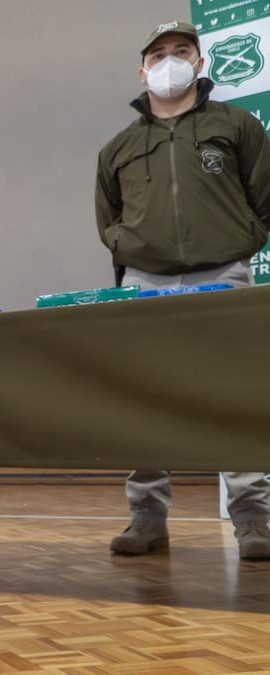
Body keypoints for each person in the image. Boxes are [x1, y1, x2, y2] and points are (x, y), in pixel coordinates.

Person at [95, 20, 270, 559]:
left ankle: (254, 521)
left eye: (181, 50)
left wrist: (242, 237)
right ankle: (147, 519)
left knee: (231, 394)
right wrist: (130, 245)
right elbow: (108, 220)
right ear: (142, 70)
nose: (169, 60)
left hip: (223, 276)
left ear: (199, 62)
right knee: (145, 397)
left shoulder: (237, 125)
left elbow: (264, 197)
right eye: (158, 54)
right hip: (144, 284)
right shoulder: (119, 147)